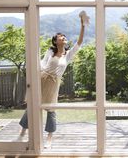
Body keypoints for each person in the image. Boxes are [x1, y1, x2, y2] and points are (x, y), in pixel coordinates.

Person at [18, 11, 88, 149]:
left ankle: (49, 138)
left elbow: (79, 42)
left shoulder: (68, 55)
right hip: (42, 79)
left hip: (53, 84)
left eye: (64, 36)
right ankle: (23, 131)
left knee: (51, 110)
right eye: (60, 36)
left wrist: (82, 25)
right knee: (31, 106)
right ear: (55, 41)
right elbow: (42, 64)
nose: (63, 37)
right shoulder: (50, 52)